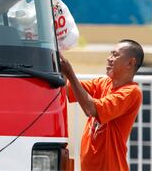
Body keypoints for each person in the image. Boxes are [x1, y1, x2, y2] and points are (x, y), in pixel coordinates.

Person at [60, 39, 144, 171]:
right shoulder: (102, 83)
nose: (109, 59)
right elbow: (67, 89)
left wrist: (70, 73)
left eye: (115, 55)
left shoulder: (131, 92)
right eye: (110, 54)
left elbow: (90, 109)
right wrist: (57, 55)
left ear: (130, 63)